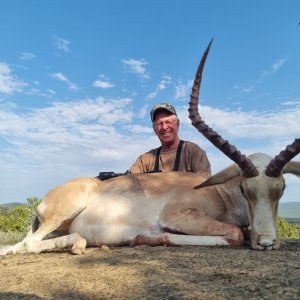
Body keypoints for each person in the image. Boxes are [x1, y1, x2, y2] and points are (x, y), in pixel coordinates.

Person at [129, 103, 211, 177]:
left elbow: (206, 187)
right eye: (159, 123)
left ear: (177, 124)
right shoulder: (145, 159)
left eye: (168, 122)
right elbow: (128, 181)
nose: (164, 127)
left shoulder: (194, 152)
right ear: (154, 129)